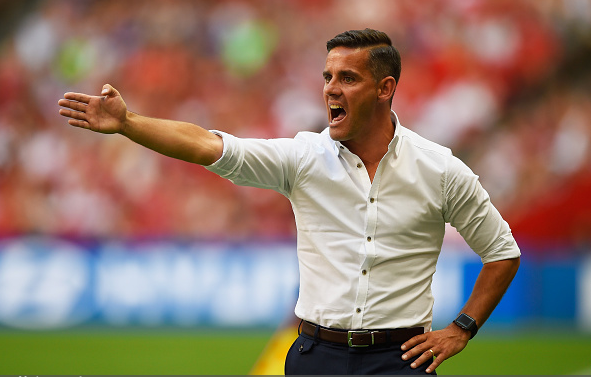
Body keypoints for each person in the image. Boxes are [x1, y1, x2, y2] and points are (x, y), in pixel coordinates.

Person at [58, 28, 520, 375]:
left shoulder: (440, 169)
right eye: (327, 77)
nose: (330, 89)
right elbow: (208, 145)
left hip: (400, 361)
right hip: (314, 357)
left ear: (385, 88)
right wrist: (128, 122)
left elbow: (502, 252)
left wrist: (462, 328)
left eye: (348, 78)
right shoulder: (303, 158)